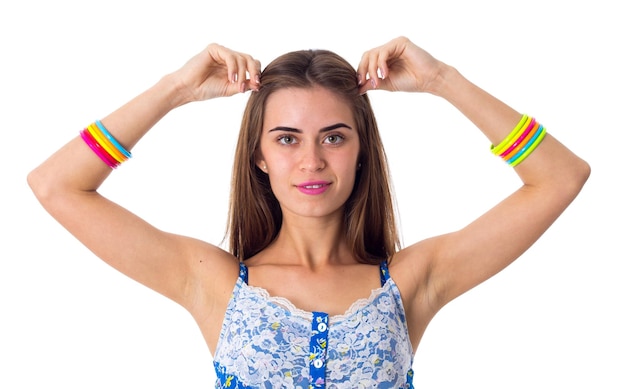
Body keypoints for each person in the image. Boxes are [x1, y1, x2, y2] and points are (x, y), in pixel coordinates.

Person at [27, 36, 590, 388]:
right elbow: (56, 185)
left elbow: (561, 177)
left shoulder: (413, 281)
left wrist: (444, 81)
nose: (312, 162)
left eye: (335, 137)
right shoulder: (212, 283)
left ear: (362, 148)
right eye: (288, 139)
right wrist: (174, 88)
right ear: (260, 156)